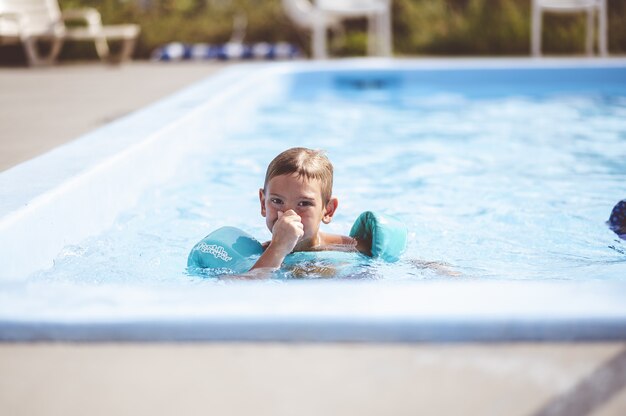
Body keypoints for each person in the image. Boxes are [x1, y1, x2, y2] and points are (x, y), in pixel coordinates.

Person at [251, 147, 369, 270]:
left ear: (328, 210)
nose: (288, 215)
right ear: (263, 203)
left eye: (304, 203)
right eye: (277, 201)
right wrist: (278, 248)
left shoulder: (353, 249)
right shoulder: (257, 255)